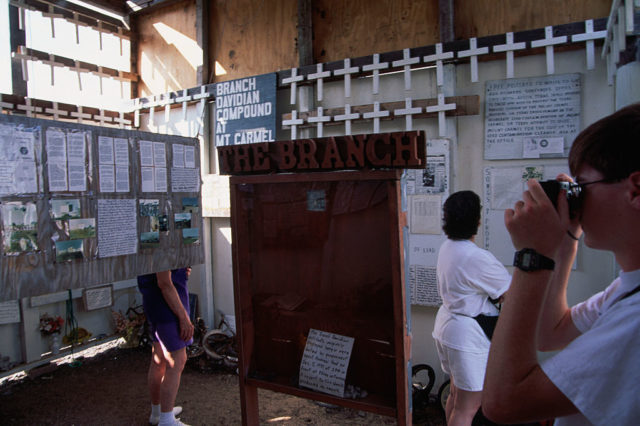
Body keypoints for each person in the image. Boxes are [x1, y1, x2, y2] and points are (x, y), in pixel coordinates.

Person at [482, 103, 640, 425]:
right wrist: (566, 238)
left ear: (636, 189)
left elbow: (503, 403)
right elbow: (550, 332)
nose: (576, 200)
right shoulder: (626, 288)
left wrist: (532, 256)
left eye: (582, 187)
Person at [432, 190, 512, 425]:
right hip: (468, 335)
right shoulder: (477, 257)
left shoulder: (447, 247)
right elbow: (510, 293)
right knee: (468, 407)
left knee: (456, 397)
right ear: (477, 221)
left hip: (448, 326)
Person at [138, 267, 194, 426]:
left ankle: (158, 413)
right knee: (176, 360)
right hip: (168, 308)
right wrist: (183, 317)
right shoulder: (163, 244)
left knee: (159, 359)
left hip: (156, 304)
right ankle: (167, 420)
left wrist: (181, 270)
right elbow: (164, 283)